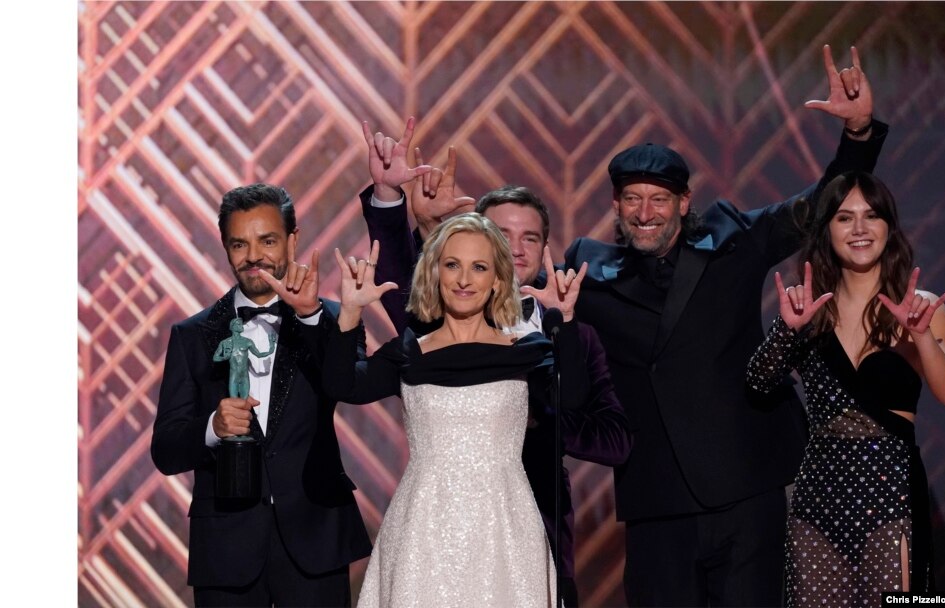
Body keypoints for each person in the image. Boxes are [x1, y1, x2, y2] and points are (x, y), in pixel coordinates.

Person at [559, 45, 887, 606]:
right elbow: (490, 283)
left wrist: (857, 137)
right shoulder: (585, 271)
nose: (644, 214)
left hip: (745, 484)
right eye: (632, 200)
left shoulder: (731, 239)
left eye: (659, 200)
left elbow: (817, 207)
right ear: (615, 203)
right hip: (657, 496)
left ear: (685, 202)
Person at [358, 121, 632, 606]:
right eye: (502, 234)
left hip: (535, 528)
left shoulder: (570, 332)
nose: (516, 247)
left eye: (530, 237)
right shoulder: (440, 320)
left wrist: (528, 411)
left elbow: (615, 439)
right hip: (437, 537)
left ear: (546, 248)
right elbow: (403, 288)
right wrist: (392, 201)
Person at [314, 213, 592, 607]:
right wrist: (350, 314)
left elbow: (576, 398)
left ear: (498, 279)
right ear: (435, 273)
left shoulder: (527, 351)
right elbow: (342, 386)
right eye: (452, 265)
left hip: (506, 529)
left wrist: (565, 320)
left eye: (479, 267)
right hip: (423, 531)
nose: (464, 279)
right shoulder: (409, 352)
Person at [746, 171, 945, 605]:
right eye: (845, 218)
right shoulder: (808, 308)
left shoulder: (922, 307)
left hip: (891, 497)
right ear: (827, 229)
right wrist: (787, 332)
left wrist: (920, 336)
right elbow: (757, 382)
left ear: (889, 227)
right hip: (817, 505)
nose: (860, 229)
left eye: (872, 216)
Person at [150, 184, 371, 606]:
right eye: (239, 243)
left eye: (267, 240)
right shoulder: (192, 336)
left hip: (315, 536)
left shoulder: (333, 320)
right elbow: (165, 450)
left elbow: (348, 384)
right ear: (225, 247)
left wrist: (308, 318)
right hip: (226, 547)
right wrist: (212, 428)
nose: (253, 255)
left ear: (292, 240)